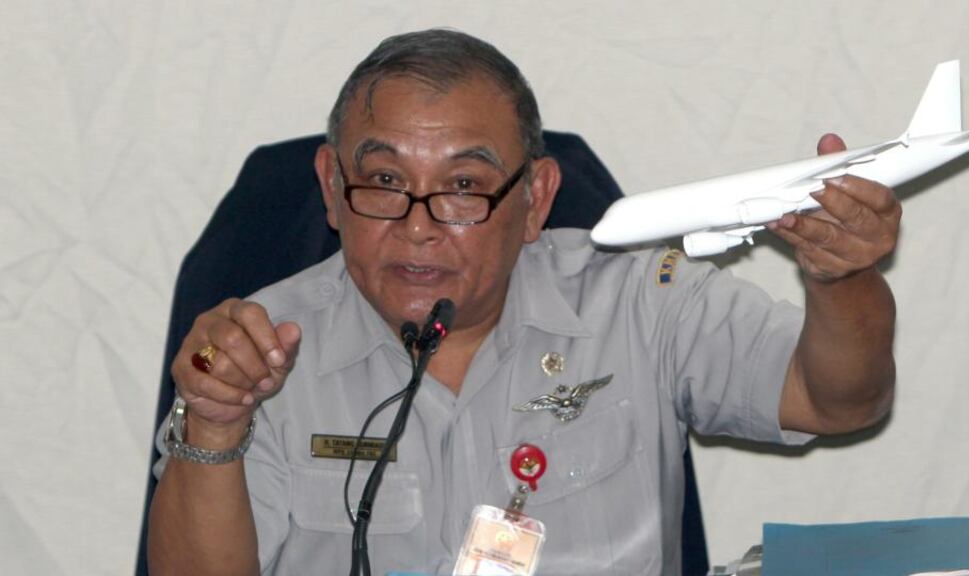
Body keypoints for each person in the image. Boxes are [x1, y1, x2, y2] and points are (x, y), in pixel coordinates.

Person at [147, 29, 899, 575]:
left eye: (465, 188)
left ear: (536, 199)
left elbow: (836, 399)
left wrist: (844, 279)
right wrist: (213, 422)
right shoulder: (262, 349)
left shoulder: (637, 301)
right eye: (381, 183)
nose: (417, 227)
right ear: (330, 189)